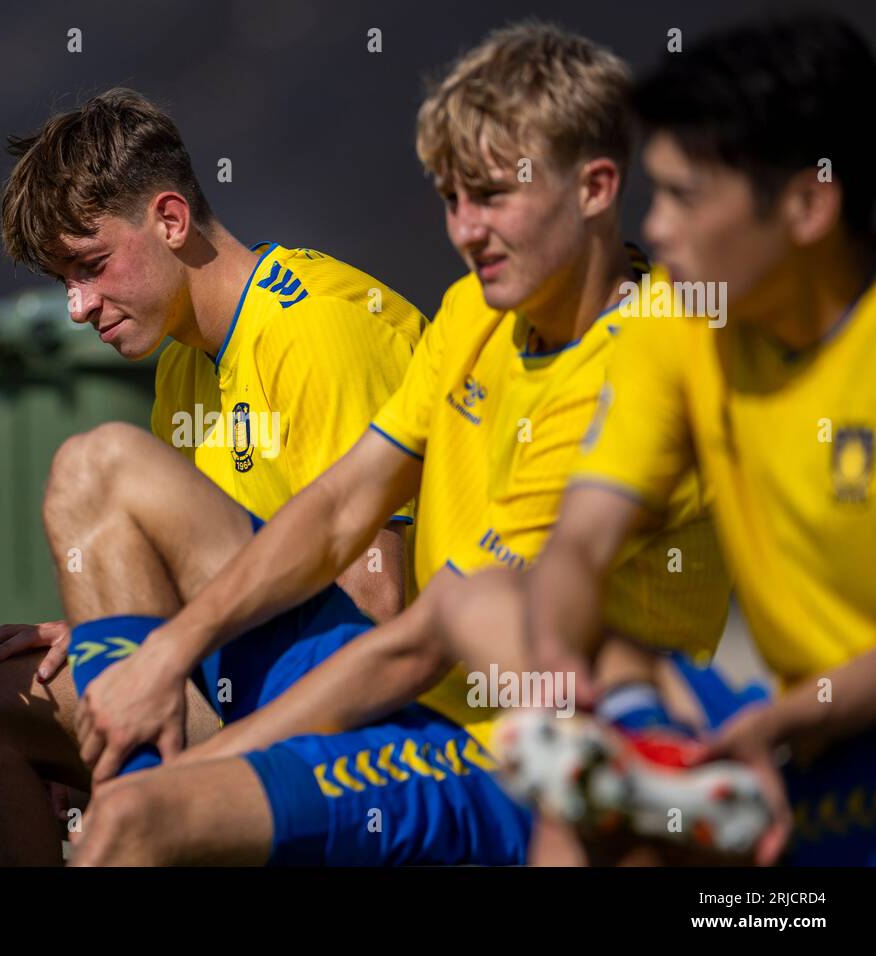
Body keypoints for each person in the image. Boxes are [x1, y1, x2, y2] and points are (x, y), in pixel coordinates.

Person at [66, 23, 732, 866]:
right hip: (412, 700)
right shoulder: (475, 312)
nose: (465, 229)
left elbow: (412, 632)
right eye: (451, 199)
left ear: (597, 188)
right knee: (7, 665)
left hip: (501, 762)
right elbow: (340, 507)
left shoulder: (644, 368)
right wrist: (165, 650)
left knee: (133, 820)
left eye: (491, 196)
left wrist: (197, 766)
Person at [0, 88, 426, 865]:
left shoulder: (319, 330)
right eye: (62, 280)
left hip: (375, 745)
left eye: (90, 267)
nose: (77, 307)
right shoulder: (184, 366)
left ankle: (147, 820)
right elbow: (220, 585)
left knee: (94, 472)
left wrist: (163, 732)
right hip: (252, 692)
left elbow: (377, 609)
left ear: (170, 219)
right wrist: (100, 644)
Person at [524, 14, 876, 867]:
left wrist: (795, 719)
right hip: (796, 727)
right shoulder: (677, 322)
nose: (660, 227)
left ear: (806, 204)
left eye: (686, 196)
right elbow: (580, 541)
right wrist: (554, 681)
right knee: (501, 610)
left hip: (826, 724)